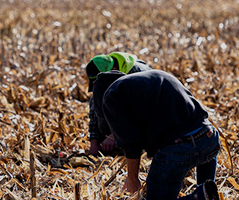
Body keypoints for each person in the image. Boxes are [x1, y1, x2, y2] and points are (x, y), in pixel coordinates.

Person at [92, 69, 220, 200]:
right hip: (209, 137)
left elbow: (131, 144)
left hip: (178, 147)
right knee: (207, 189)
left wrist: (132, 178)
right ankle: (205, 193)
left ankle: (200, 197)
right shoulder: (151, 78)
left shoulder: (111, 95)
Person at [85, 52, 151, 155]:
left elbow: (138, 114)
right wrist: (94, 142)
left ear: (114, 70)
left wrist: (113, 136)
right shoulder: (108, 72)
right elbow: (95, 106)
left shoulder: (137, 77)